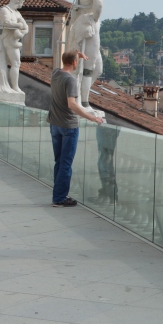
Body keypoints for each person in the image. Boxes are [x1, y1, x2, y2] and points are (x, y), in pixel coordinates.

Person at [49, 49, 104, 207]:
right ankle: (59, 198)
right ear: (74, 63)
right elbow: (72, 104)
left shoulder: (55, 74)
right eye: (77, 60)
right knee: (66, 163)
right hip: (68, 126)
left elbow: (67, 57)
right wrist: (92, 117)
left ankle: (57, 194)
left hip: (54, 123)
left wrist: (77, 54)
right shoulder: (70, 80)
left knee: (59, 161)